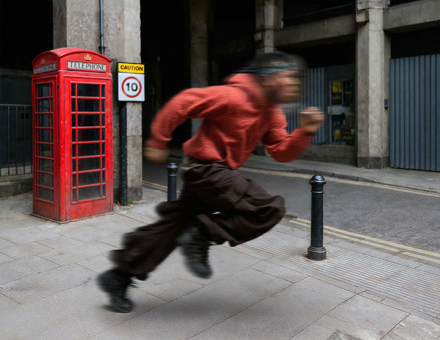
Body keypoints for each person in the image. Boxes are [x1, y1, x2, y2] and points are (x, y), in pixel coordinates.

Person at [97, 51, 324, 312]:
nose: (294, 83)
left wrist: (305, 131)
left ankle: (118, 277)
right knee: (267, 208)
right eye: (289, 77)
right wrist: (158, 140)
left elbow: (281, 152)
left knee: (171, 228)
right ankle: (200, 233)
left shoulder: (272, 113)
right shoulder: (232, 96)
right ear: (268, 78)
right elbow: (183, 103)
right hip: (203, 169)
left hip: (215, 174)